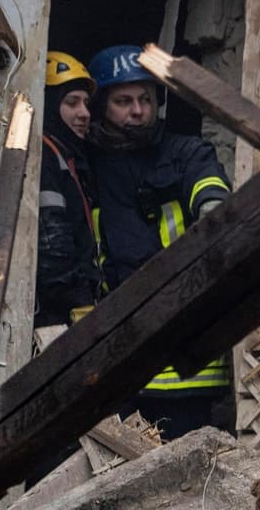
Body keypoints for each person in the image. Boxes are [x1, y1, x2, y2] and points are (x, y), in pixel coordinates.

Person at [85, 43, 236, 440]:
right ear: (101, 106)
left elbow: (210, 187)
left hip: (186, 363)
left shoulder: (184, 151)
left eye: (146, 99)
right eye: (123, 101)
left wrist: (214, 210)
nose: (138, 110)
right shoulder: (87, 165)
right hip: (119, 361)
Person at [35, 52, 100, 329]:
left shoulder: (69, 156)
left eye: (86, 103)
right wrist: (78, 301)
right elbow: (52, 243)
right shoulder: (46, 153)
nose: (84, 113)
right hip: (56, 314)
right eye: (72, 103)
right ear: (50, 105)